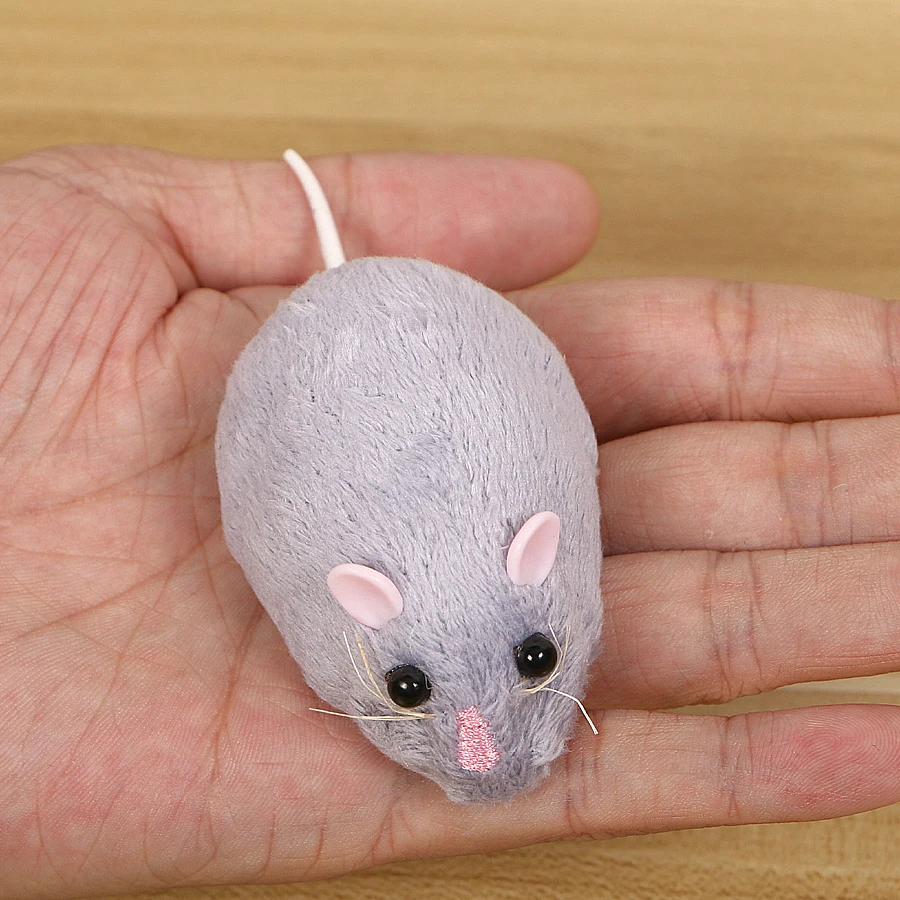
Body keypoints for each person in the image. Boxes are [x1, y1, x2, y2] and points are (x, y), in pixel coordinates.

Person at [2, 144, 900, 899]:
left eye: (537, 660)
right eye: (406, 688)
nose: (483, 751)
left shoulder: (530, 560)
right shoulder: (336, 602)